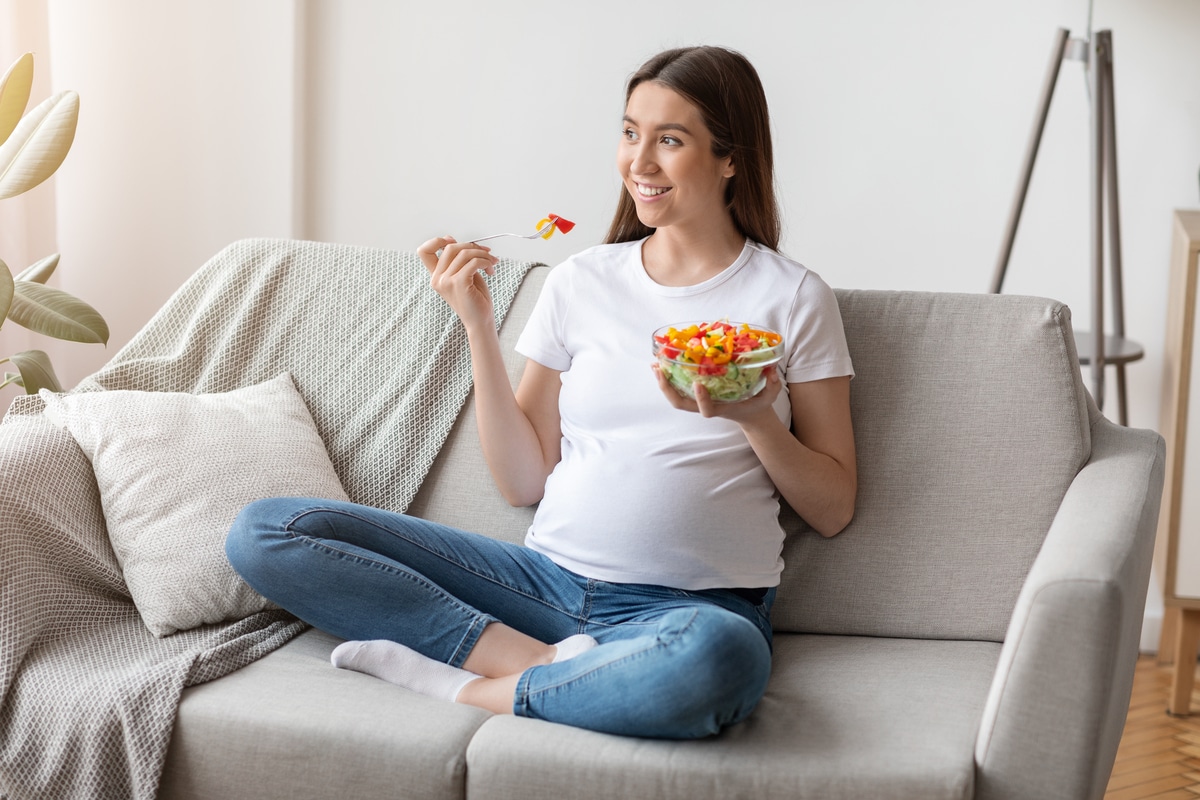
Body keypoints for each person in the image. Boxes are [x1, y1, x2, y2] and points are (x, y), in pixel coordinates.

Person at [225, 45, 856, 740]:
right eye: (629, 132)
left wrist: (757, 421)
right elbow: (524, 478)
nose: (638, 162)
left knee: (722, 660)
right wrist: (476, 324)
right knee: (265, 532)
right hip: (540, 585)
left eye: (669, 140)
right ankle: (544, 663)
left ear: (730, 158)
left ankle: (467, 690)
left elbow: (831, 507)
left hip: (691, 611)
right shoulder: (581, 281)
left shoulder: (792, 297)